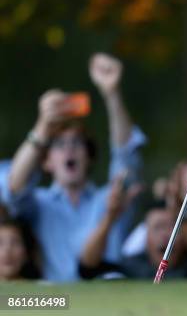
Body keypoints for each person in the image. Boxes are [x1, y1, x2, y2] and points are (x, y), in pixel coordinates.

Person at [0, 53, 146, 282]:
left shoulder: (110, 198)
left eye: (77, 143)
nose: (69, 150)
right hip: (58, 306)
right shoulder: (39, 204)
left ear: (88, 157)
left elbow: (127, 156)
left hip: (110, 303)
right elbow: (13, 187)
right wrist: (43, 126)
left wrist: (112, 94)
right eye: (59, 145)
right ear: (46, 161)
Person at [79, 200, 187, 280]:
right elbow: (88, 269)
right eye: (158, 227)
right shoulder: (130, 267)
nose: (167, 235)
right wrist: (110, 217)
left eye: (175, 228)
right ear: (145, 235)